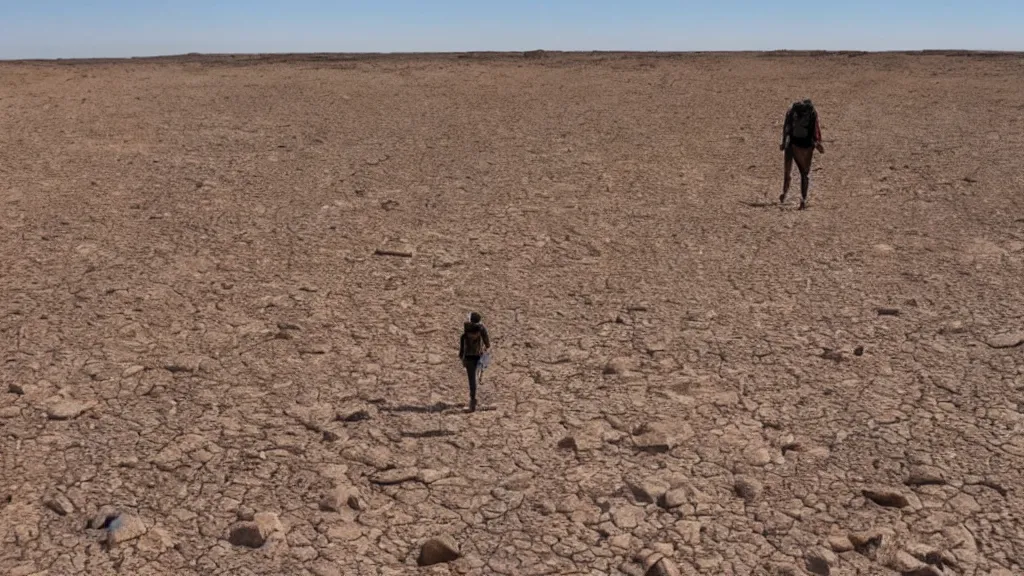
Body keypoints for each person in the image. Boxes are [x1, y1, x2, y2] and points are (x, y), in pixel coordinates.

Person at [779, 99, 825, 210]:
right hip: (807, 145)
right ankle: (803, 200)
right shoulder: (812, 112)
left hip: (793, 144)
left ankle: (784, 193)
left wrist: (784, 143)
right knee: (805, 174)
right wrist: (817, 142)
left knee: (787, 171)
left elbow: (787, 128)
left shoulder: (791, 110)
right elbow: (816, 129)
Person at [458, 312, 490, 412]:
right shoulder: (481, 329)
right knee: (476, 378)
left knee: (471, 380)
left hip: (468, 358)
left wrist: (462, 359)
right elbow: (487, 343)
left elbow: (461, 350)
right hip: (478, 356)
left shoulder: (465, 333)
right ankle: (474, 402)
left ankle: (472, 401)